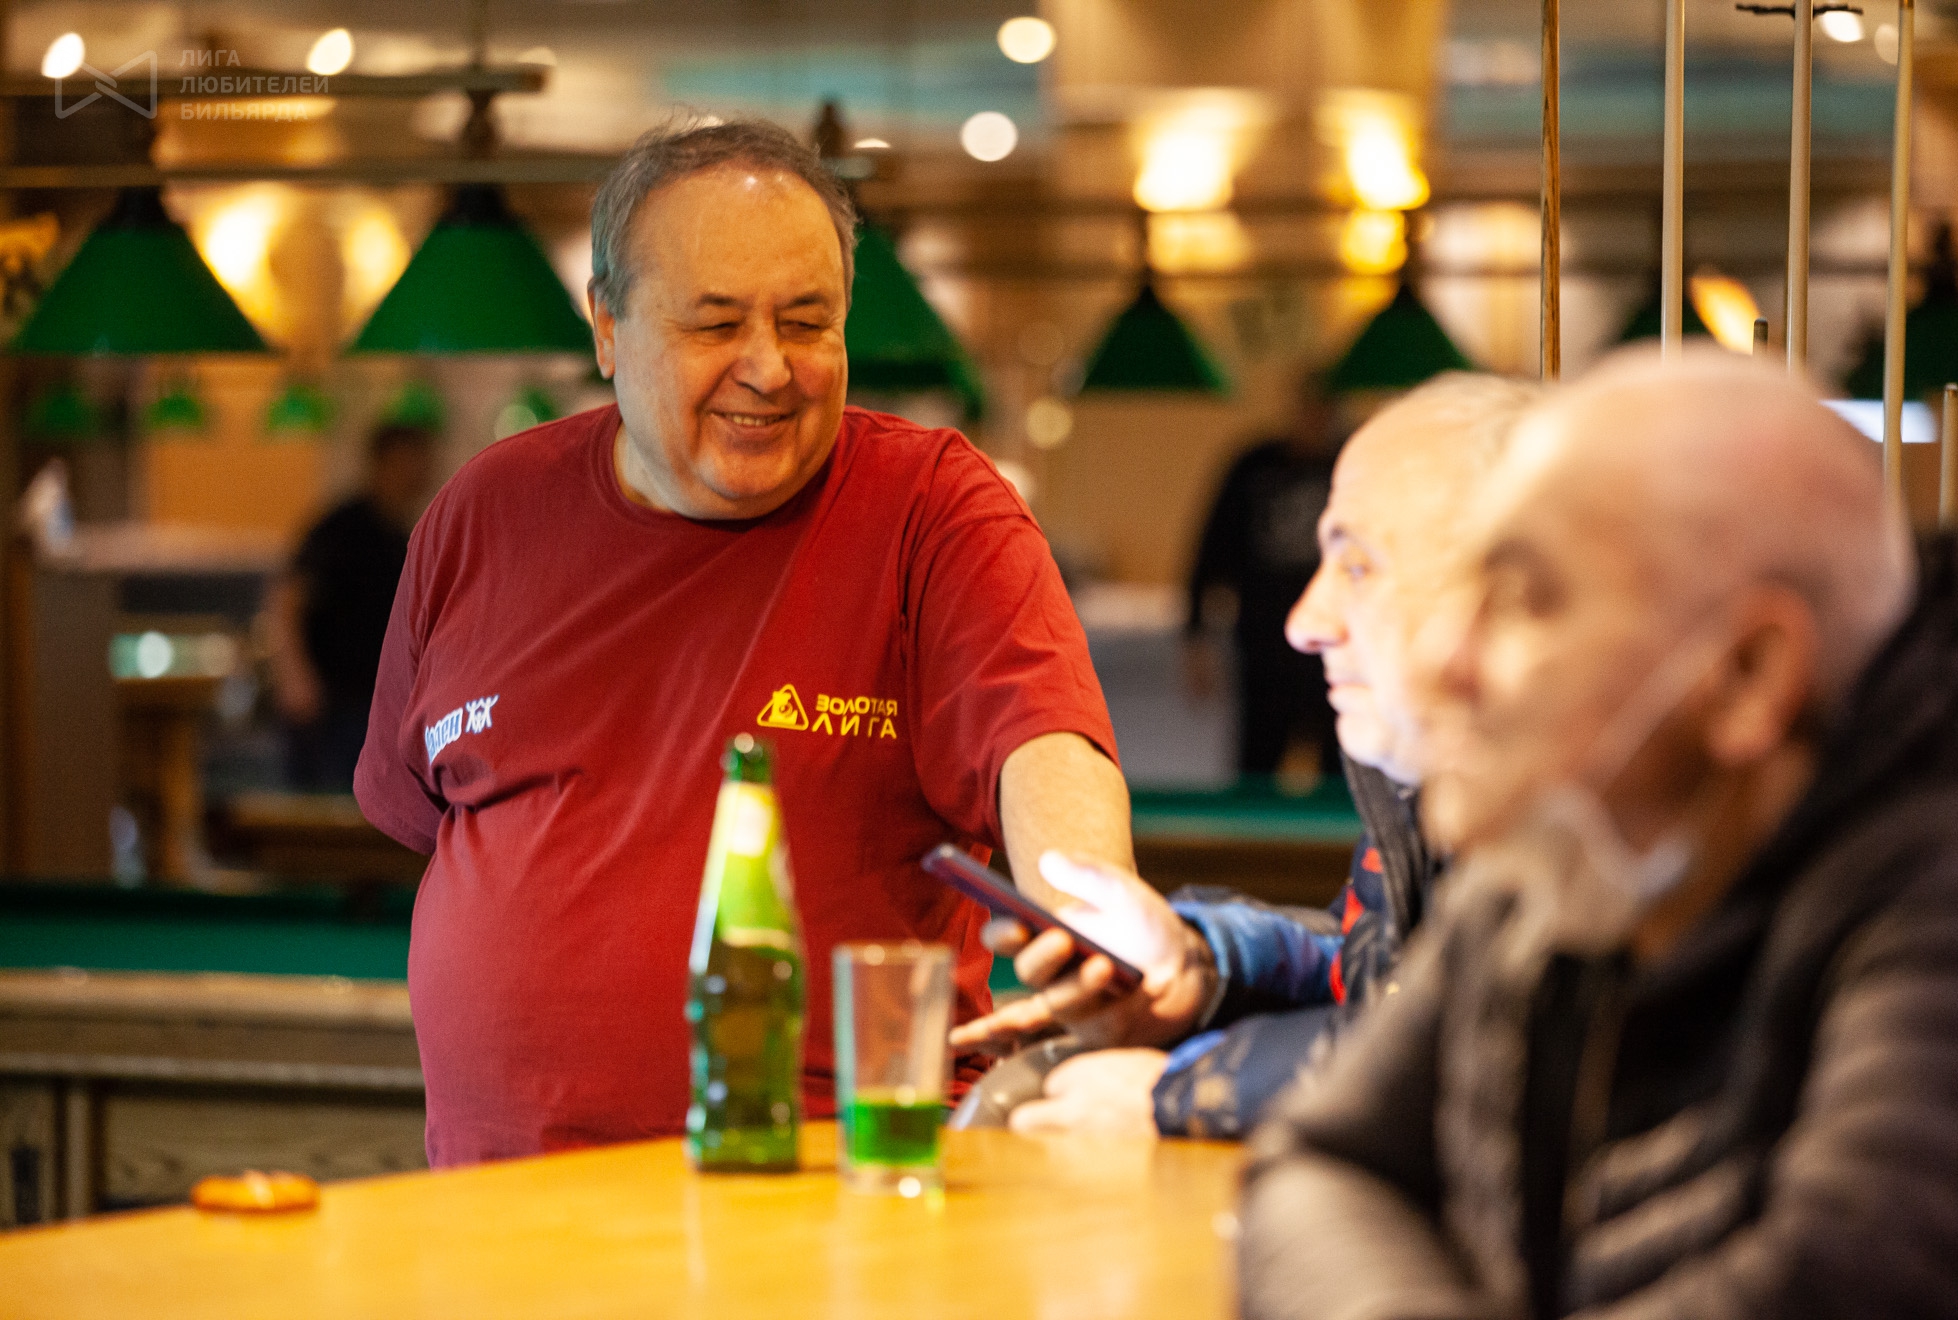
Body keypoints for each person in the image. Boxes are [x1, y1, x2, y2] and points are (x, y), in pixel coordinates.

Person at [355, 118, 1132, 1166]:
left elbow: (1044, 749)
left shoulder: (935, 508)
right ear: (607, 328)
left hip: (833, 1195)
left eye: (807, 323)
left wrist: (1090, 933)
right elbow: (425, 817)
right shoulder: (480, 515)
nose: (769, 368)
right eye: (716, 324)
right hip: (498, 1204)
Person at [1242, 349, 1958, 1319]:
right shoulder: (1567, 855)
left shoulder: (1944, 898)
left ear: (1749, 678)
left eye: (1528, 599)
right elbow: (1318, 1165)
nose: (1448, 656)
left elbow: (1849, 1277)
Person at [951, 374, 1538, 1137]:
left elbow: (1476, 1051)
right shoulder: (1430, 781)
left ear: (1515, 595)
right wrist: (1197, 962)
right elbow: (1375, 971)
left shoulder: (1595, 820)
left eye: (1358, 567)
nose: (1306, 621)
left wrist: (1183, 1091)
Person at [1185, 372, 1346, 782]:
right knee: (1257, 764)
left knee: (1339, 770)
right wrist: (1195, 635)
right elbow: (1210, 551)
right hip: (1263, 648)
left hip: (1336, 648)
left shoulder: (1349, 465)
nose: (1314, 417)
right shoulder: (1254, 466)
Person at [269, 421, 435, 792]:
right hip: (331, 703)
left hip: (375, 704)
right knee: (324, 811)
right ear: (384, 463)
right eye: (412, 461)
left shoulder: (402, 535)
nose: (420, 472)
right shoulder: (343, 527)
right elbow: (287, 598)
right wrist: (295, 675)